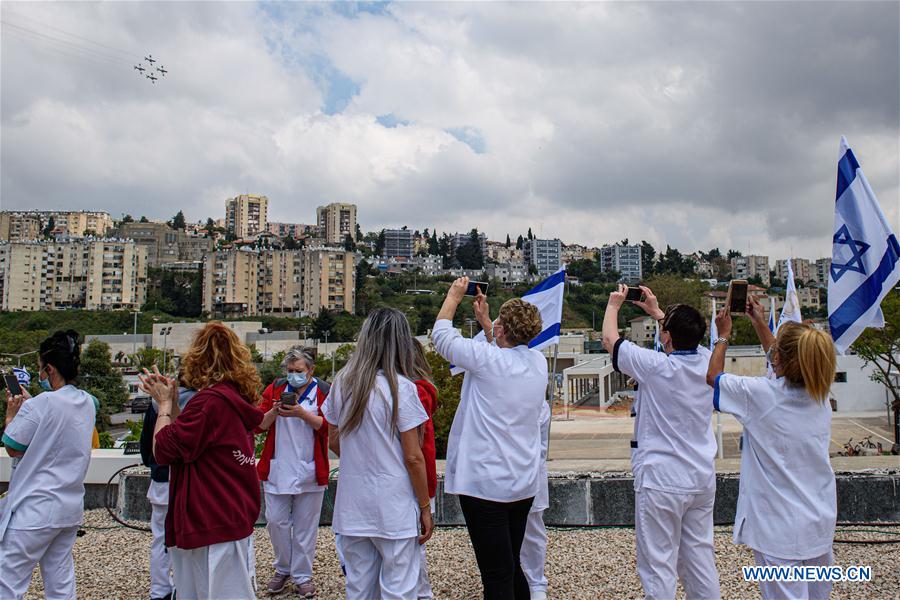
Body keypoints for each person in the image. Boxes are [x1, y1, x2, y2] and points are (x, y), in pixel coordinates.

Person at [707, 296, 837, 600]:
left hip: (779, 531)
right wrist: (760, 323)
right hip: (818, 522)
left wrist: (723, 335)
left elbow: (713, 377)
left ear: (779, 359)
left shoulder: (762, 396)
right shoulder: (820, 393)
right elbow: (785, 357)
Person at [601, 285, 720, 600]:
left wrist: (614, 305)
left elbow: (610, 341)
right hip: (700, 478)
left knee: (658, 566)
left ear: (666, 337)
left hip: (662, 479)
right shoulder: (708, 361)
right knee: (699, 560)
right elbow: (681, 336)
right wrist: (656, 312)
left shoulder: (657, 368)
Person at [431, 276, 546, 600]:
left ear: (503, 330)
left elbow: (441, 337)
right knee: (511, 565)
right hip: (522, 483)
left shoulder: (489, 361)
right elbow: (502, 358)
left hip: (486, 487)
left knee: (496, 575)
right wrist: (486, 323)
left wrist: (453, 295)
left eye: (498, 322)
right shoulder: (536, 362)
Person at [142, 322, 264, 600]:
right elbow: (184, 442)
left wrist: (162, 406)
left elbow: (163, 449)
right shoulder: (231, 399)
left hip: (209, 520)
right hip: (229, 513)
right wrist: (172, 403)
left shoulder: (208, 403)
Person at [323, 308, 434, 600]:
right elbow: (413, 457)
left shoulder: (342, 383)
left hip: (352, 504)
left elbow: (333, 439)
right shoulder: (402, 389)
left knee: (359, 588)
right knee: (400, 588)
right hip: (393, 505)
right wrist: (424, 505)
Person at [0, 330, 96, 600]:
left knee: (7, 580)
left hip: (35, 508)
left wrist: (13, 414)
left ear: (50, 369)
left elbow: (12, 445)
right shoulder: (87, 402)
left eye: (41, 369)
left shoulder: (40, 405)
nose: (39, 375)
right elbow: (57, 426)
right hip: (68, 508)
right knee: (60, 581)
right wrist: (32, 406)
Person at [256, 347, 330, 598]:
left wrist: (302, 413)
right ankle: (283, 567)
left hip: (310, 468)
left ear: (311, 370)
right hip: (277, 467)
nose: (294, 376)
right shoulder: (275, 389)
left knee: (305, 526)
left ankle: (302, 575)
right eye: (290, 371)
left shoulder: (323, 392)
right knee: (275, 521)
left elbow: (329, 428)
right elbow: (259, 425)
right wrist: (275, 411)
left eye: (299, 371)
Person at [139, 371, 196, 600]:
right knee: (186, 541)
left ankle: (160, 590)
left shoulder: (156, 403)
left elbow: (146, 445)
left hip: (161, 480)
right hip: (185, 480)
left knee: (160, 540)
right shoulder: (197, 402)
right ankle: (184, 589)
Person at [411, 340, 438, 599]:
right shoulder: (423, 389)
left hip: (415, 480)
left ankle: (421, 594)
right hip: (422, 476)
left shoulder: (417, 392)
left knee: (412, 548)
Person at [519, 400, 551, 600]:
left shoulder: (539, 404)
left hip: (530, 475)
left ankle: (536, 582)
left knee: (532, 531)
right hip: (504, 477)